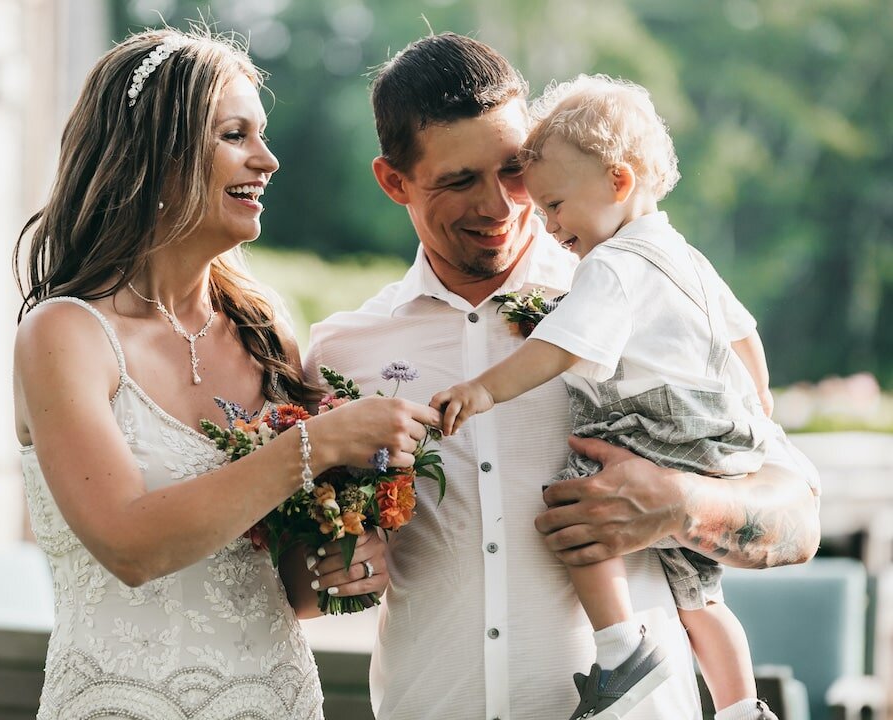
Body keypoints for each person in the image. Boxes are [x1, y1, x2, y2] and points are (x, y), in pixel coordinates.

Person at [304, 33, 821, 720]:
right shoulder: (342, 353)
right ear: (394, 181)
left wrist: (680, 504)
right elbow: (304, 579)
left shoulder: (643, 296)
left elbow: (799, 521)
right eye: (460, 181)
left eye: (515, 172)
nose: (502, 206)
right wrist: (336, 560)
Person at [12, 27, 439, 719]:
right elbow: (129, 544)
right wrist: (319, 444)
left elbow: (291, 589)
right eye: (234, 135)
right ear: (153, 154)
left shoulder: (264, 325)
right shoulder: (64, 335)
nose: (266, 160)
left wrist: (344, 561)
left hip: (273, 699)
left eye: (260, 135)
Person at [431, 73, 780, 720]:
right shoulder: (685, 256)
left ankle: (622, 650)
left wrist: (481, 389)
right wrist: (756, 410)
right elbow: (744, 338)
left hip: (650, 424)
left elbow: (558, 347)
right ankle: (741, 708)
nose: (547, 223)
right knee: (700, 596)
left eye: (556, 205)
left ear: (618, 182)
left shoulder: (612, 266)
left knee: (577, 511)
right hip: (714, 433)